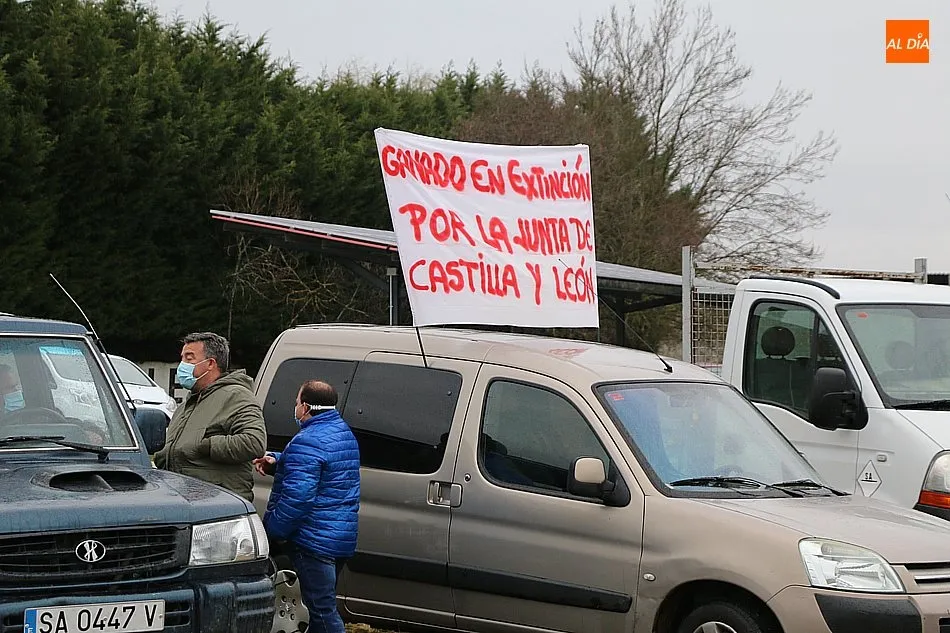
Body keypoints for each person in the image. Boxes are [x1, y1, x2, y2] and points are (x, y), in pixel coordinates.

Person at [253, 380, 360, 633]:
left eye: (297, 401)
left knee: (321, 612)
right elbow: (320, 470)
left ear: (306, 407)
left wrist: (272, 532)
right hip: (339, 537)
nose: (295, 407)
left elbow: (298, 498)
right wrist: (278, 460)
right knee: (320, 607)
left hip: (313, 541)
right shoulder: (342, 433)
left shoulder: (308, 440)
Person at [153, 332, 266, 501]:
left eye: (189, 358)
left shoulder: (236, 396)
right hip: (184, 500)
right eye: (182, 358)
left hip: (218, 502)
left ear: (211, 363)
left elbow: (254, 442)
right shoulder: (187, 404)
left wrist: (206, 446)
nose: (182, 365)